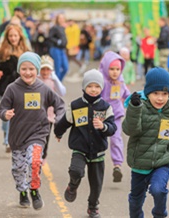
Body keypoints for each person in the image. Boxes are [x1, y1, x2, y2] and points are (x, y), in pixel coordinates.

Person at [0, 52, 65, 210]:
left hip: (38, 134)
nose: (28, 72)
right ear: (19, 69)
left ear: (38, 70)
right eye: (24, 68)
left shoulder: (44, 88)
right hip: (17, 136)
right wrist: (5, 114)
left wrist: (59, 120)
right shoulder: (12, 89)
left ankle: (34, 190)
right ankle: (22, 191)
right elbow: (2, 108)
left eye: (32, 69)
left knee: (34, 162)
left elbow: (60, 104)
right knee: (18, 169)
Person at [122, 67, 169, 218]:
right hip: (140, 161)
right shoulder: (139, 107)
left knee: (158, 189)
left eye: (165, 94)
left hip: (163, 159)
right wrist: (134, 109)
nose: (160, 98)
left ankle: (159, 214)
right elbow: (129, 130)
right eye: (156, 93)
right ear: (147, 92)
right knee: (135, 201)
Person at [54, 69, 117, 218]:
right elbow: (65, 121)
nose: (93, 89)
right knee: (76, 170)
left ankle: (93, 207)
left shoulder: (105, 107)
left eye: (97, 86)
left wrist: (103, 126)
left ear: (101, 88)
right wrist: (58, 132)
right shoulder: (76, 105)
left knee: (96, 184)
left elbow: (113, 128)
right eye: (90, 86)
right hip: (80, 148)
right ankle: (72, 185)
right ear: (84, 87)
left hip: (98, 151)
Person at [0, 24, 30, 153]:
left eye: (15, 35)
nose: (13, 38)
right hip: (5, 88)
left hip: (21, 88)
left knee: (18, 114)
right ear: (7, 37)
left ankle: (12, 138)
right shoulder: (1, 53)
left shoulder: (26, 53)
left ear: (20, 37)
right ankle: (7, 137)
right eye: (10, 36)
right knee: (6, 113)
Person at [99, 51, 130, 182]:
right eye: (112, 69)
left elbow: (126, 94)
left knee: (116, 139)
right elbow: (93, 95)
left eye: (118, 69)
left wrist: (133, 101)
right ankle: (94, 163)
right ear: (106, 68)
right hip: (100, 115)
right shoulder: (101, 80)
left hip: (116, 115)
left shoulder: (120, 81)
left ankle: (117, 165)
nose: (115, 72)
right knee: (98, 141)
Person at [38, 55, 66, 160]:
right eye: (43, 69)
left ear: (51, 70)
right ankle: (36, 155)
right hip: (35, 114)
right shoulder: (36, 79)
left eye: (48, 69)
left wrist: (55, 79)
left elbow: (62, 92)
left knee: (46, 136)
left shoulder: (53, 80)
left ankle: (43, 156)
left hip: (48, 115)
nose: (45, 72)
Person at [48, 14, 68, 81]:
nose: (61, 20)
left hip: (62, 49)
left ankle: (58, 82)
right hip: (56, 49)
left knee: (65, 68)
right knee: (58, 69)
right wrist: (57, 41)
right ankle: (57, 85)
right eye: (60, 18)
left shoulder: (63, 28)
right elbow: (50, 37)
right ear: (57, 19)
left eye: (63, 18)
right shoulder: (54, 27)